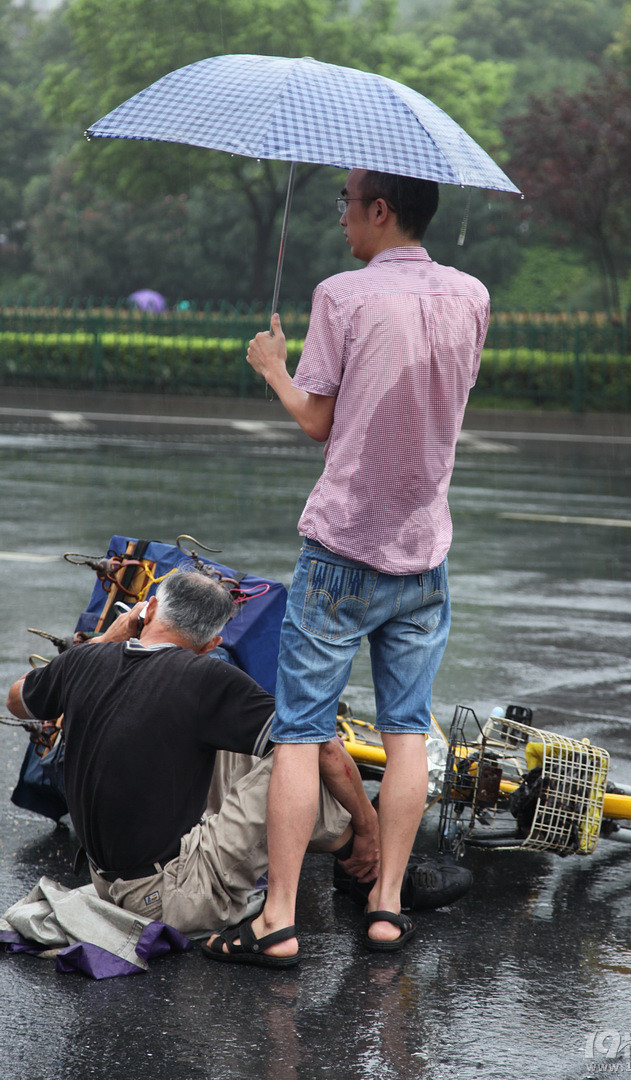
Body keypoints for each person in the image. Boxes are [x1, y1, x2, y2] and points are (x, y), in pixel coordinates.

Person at [232, 168, 490, 961]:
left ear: (380, 210)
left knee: (302, 735)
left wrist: (273, 365)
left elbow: (319, 420)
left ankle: (277, 919)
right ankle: (385, 907)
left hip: (342, 549)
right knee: (408, 728)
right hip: (424, 553)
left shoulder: (341, 295)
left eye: (347, 204)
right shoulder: (473, 296)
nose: (342, 218)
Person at [5, 569, 380, 953]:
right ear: (210, 644)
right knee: (300, 754)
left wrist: (104, 639)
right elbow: (326, 748)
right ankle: (364, 862)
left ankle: (354, 859)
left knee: (249, 739)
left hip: (109, 883)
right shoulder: (207, 676)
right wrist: (369, 827)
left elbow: (16, 700)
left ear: (147, 610)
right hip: (173, 897)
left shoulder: (83, 661)